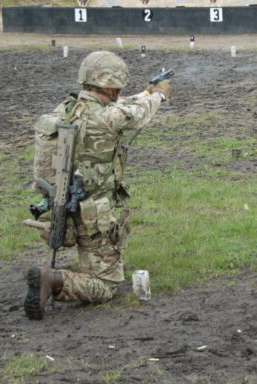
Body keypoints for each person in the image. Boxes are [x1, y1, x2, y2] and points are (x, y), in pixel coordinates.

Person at [24, 51, 171, 320]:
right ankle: (54, 280)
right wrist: (158, 95)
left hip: (62, 201)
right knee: (106, 287)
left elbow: (119, 106)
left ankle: (68, 270)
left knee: (98, 259)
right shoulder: (107, 117)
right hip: (93, 212)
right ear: (111, 85)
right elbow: (136, 113)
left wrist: (145, 91)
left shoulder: (68, 110)